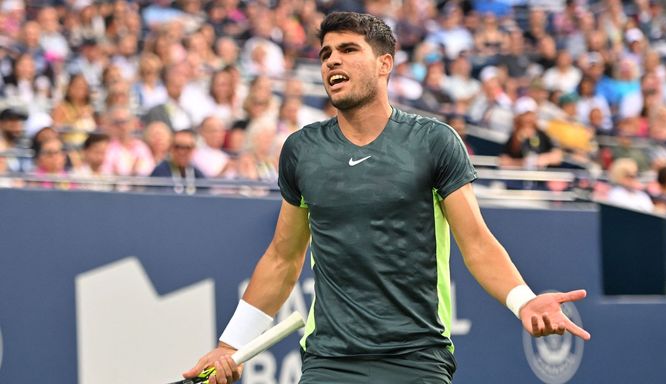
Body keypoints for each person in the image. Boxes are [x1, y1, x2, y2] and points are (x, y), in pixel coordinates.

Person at [183, 12, 591, 384]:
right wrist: (230, 346)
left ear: (385, 63)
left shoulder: (434, 141)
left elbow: (478, 243)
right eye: (326, 53)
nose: (331, 61)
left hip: (416, 358)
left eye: (347, 50)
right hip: (328, 361)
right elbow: (281, 259)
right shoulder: (301, 150)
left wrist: (524, 302)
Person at [149, 128, 205, 195]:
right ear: (170, 148)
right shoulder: (160, 172)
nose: (182, 152)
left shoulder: (197, 174)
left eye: (187, 147)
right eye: (177, 147)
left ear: (194, 149)